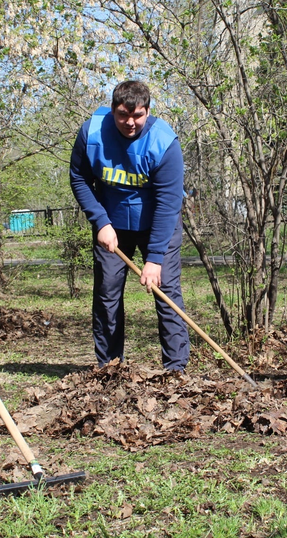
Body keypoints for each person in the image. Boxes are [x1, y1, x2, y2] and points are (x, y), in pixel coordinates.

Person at [70, 80, 190, 371]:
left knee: (166, 292)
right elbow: (79, 178)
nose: (130, 122)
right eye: (123, 114)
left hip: (157, 225)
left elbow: (168, 203)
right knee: (107, 293)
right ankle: (109, 367)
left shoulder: (164, 143)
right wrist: (100, 222)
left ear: (148, 111)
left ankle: (175, 369)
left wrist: (155, 258)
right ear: (113, 110)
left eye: (137, 115)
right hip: (111, 226)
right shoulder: (91, 133)